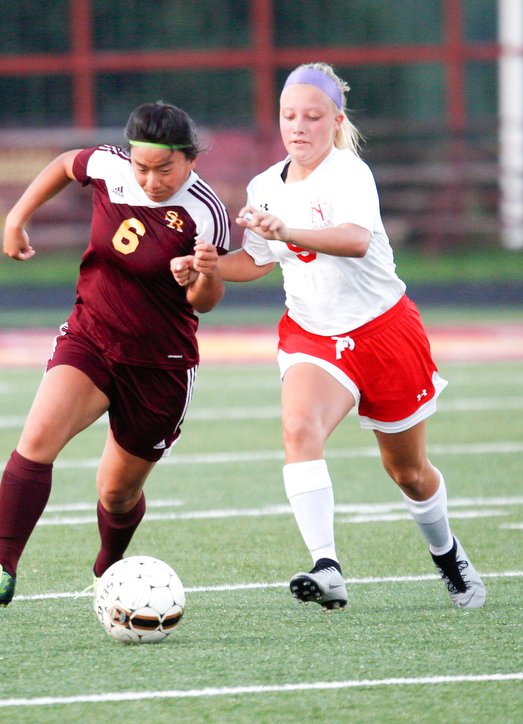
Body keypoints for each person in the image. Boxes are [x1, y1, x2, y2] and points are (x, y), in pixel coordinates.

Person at [172, 63, 485, 611]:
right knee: (298, 428)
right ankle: (327, 565)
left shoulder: (349, 174)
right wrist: (210, 265)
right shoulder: (265, 186)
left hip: (385, 333)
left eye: (312, 117)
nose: (298, 126)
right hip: (312, 334)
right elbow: (258, 259)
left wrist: (287, 230)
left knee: (407, 472)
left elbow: (354, 241)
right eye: (288, 116)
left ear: (334, 121)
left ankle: (448, 554)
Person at [0, 101, 229, 606]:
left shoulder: (204, 212)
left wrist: (202, 275)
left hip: (159, 365)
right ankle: (1, 568)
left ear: (190, 160)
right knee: (35, 443)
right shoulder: (108, 166)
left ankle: (107, 572)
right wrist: (16, 217)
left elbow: (204, 304)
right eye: (142, 167)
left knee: (116, 494)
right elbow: (64, 164)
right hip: (91, 338)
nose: (150, 180)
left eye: (164, 169)